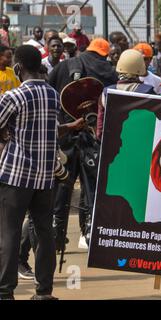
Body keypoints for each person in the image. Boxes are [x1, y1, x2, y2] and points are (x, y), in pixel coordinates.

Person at [0, 45, 60, 300]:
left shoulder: (13, 97)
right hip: (45, 177)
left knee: (9, 232)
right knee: (45, 232)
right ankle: (44, 291)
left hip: (15, 175)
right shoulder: (54, 95)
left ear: (18, 68)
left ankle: (5, 291)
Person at [49, 38, 118, 251]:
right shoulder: (109, 73)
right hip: (92, 136)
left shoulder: (63, 66)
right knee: (91, 185)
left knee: (62, 182)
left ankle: (56, 233)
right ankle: (88, 232)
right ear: (104, 54)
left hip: (65, 133)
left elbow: (50, 94)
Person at [97, 49, 154, 140]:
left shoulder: (106, 93)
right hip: (139, 142)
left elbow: (100, 132)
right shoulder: (148, 91)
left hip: (112, 147)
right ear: (141, 68)